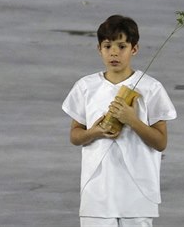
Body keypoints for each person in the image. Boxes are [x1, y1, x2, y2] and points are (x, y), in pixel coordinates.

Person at [62, 15, 177, 227]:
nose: (114, 52)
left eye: (121, 46)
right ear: (99, 49)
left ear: (134, 49)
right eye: (107, 46)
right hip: (97, 191)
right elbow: (75, 136)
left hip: (137, 191)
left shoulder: (150, 88)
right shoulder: (86, 87)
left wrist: (132, 120)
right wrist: (94, 132)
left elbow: (161, 142)